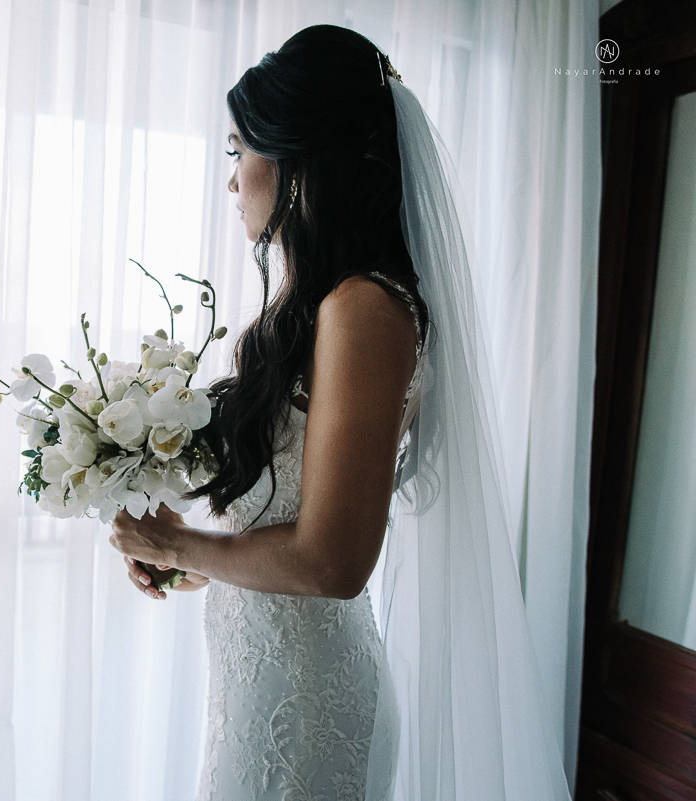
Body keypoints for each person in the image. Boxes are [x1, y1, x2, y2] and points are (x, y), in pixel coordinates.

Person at [107, 24, 572, 801]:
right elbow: (284, 526)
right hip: (262, 692)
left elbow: (334, 561)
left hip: (306, 712)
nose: (230, 181)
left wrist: (180, 539)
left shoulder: (364, 308)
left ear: (296, 161)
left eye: (237, 152)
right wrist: (185, 559)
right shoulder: (316, 307)